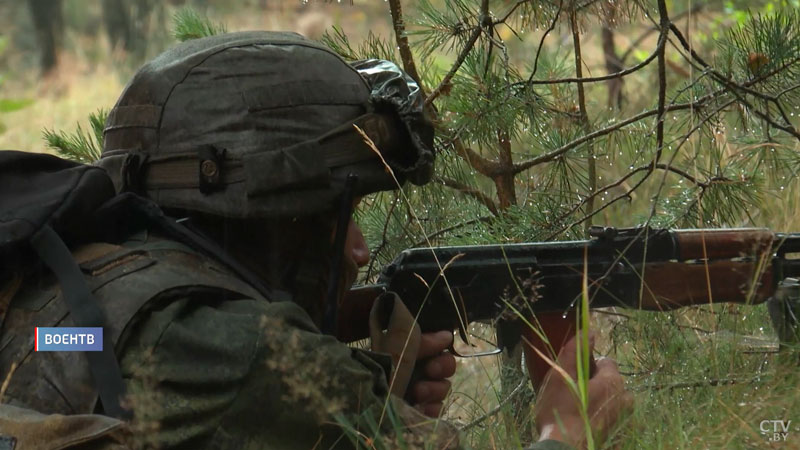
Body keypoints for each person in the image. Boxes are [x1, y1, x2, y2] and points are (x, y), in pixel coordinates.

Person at [0, 31, 631, 449]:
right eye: (339, 214)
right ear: (274, 210)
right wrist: (566, 432)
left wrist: (368, 392)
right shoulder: (247, 350)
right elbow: (247, 373)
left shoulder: (69, 296)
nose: (358, 249)